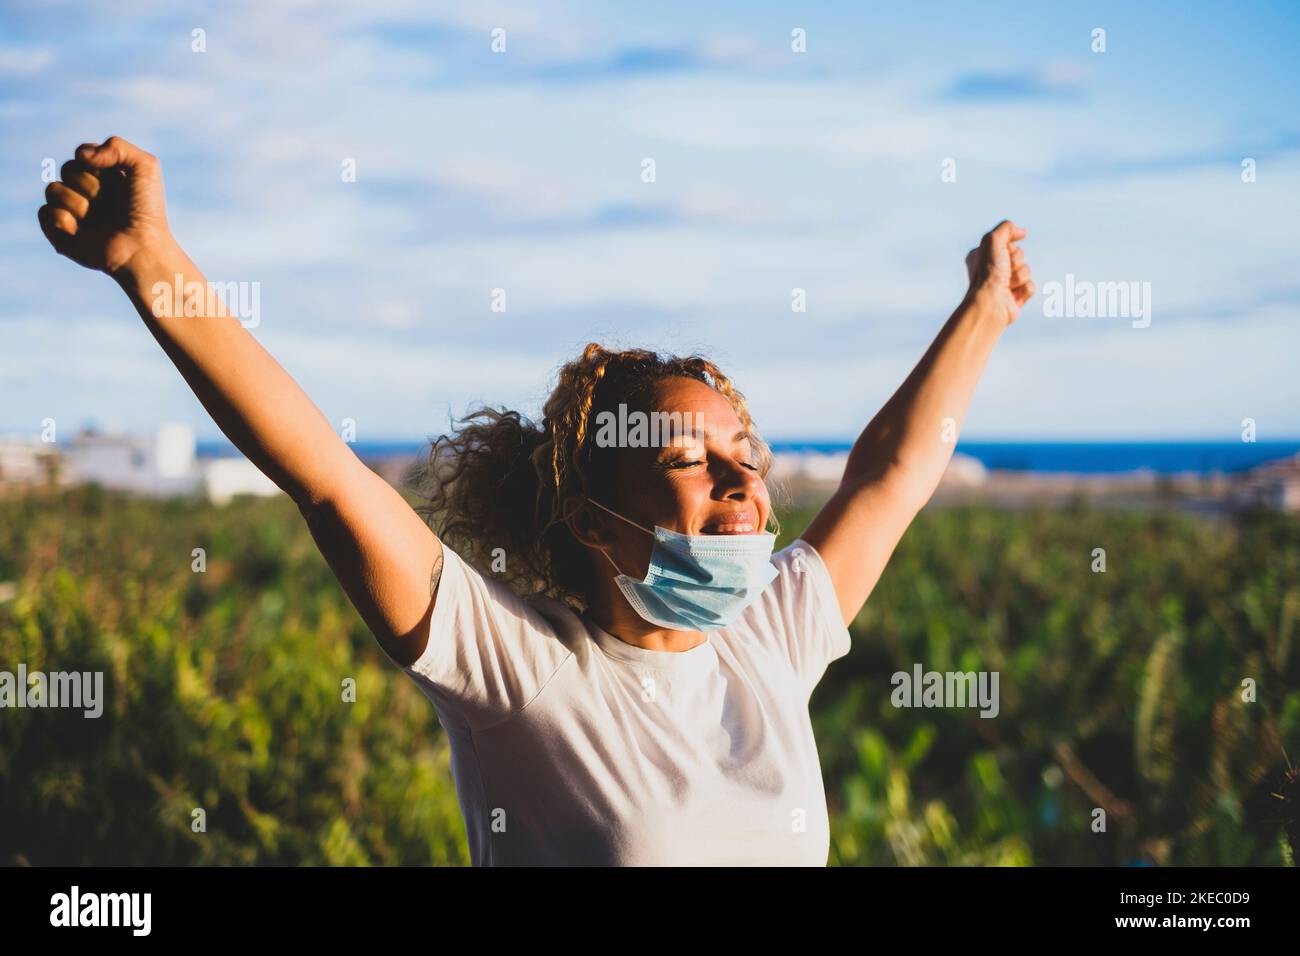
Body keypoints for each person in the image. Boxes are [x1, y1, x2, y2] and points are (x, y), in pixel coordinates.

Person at [38, 136, 1035, 866]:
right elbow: (326, 477)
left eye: (748, 453)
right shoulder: (519, 669)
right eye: (691, 459)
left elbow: (890, 477)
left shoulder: (770, 637)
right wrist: (149, 264)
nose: (745, 480)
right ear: (594, 522)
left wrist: (986, 308)